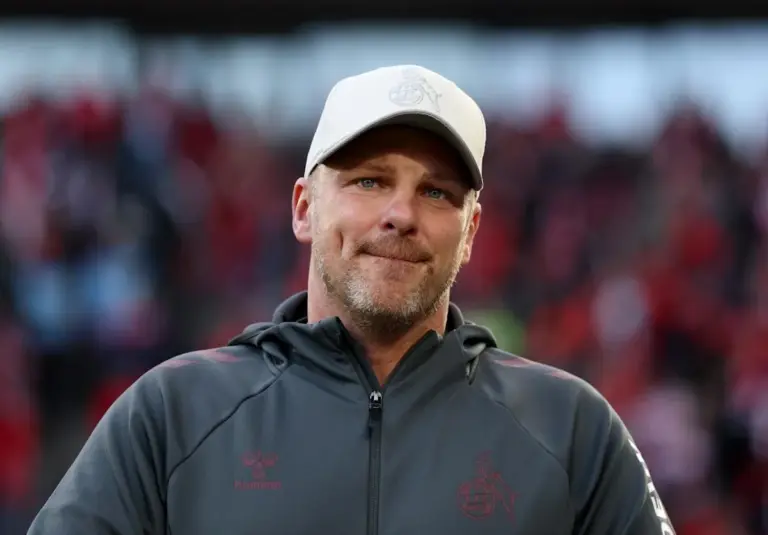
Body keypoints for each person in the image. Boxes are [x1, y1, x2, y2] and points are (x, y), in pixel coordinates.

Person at [28, 65, 676, 535]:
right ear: (304, 208)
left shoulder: (572, 429)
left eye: (437, 193)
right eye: (369, 180)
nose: (401, 214)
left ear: (471, 233)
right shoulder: (173, 415)